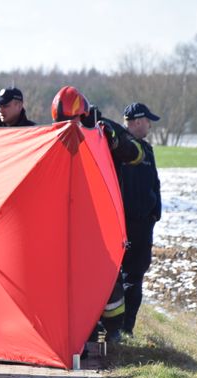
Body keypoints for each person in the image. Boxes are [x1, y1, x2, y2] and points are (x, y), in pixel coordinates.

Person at [51, 86, 143, 342]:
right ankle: (85, 328)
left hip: (103, 217)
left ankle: (114, 329)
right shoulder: (58, 133)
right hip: (73, 217)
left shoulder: (105, 130)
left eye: (71, 121)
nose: (68, 126)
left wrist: (115, 140)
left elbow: (137, 155)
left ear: (84, 114)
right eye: (62, 122)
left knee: (107, 274)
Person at [119, 102, 161, 336]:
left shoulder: (147, 149)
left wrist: (155, 213)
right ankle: (116, 329)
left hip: (144, 224)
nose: (149, 126)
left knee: (135, 276)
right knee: (121, 277)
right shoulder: (117, 148)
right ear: (136, 121)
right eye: (147, 121)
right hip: (124, 224)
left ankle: (127, 328)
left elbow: (155, 183)